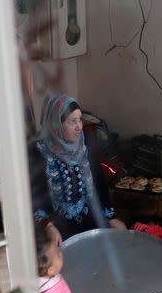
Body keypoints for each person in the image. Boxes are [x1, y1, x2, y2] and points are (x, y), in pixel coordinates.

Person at [30, 93, 127, 245]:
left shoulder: (85, 142)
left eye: (80, 119)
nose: (79, 127)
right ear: (56, 124)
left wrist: (110, 217)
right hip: (57, 228)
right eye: (72, 121)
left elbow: (99, 182)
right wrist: (47, 225)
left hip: (89, 221)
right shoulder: (39, 151)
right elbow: (34, 195)